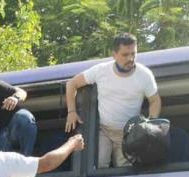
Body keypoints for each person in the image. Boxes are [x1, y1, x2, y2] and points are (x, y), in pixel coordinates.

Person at [65, 33, 162, 168]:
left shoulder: (145, 75)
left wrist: (150, 124)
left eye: (133, 54)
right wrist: (71, 111)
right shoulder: (100, 71)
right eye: (125, 54)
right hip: (103, 130)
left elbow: (154, 100)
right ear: (114, 55)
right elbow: (71, 84)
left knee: (125, 173)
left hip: (128, 133)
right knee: (97, 167)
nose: (130, 58)